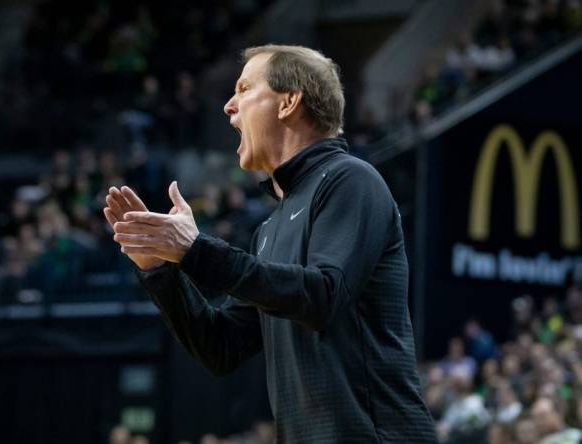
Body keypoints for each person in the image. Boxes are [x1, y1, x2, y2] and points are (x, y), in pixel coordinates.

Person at [104, 44, 436, 443]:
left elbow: (323, 295)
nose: (229, 106)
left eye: (244, 89)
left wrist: (196, 249)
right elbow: (221, 347)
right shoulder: (271, 227)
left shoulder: (352, 180)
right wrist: (158, 270)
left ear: (288, 102)